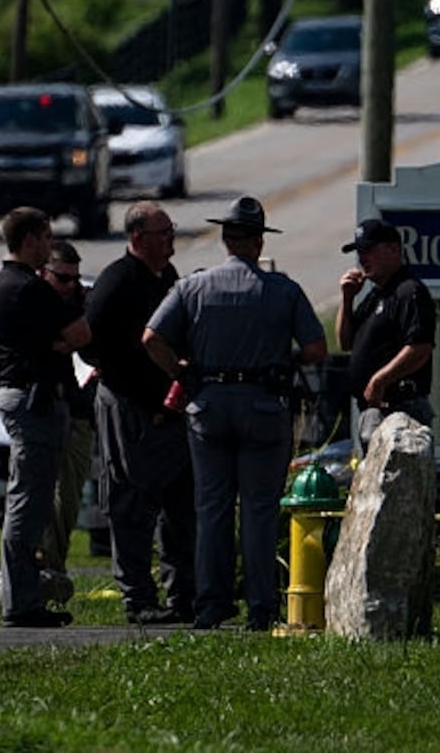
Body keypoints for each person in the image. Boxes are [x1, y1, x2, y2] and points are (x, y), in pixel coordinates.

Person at [143, 196, 328, 631]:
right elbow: (317, 349)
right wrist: (289, 363)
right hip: (264, 405)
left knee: (212, 509)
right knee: (260, 511)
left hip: (208, 404)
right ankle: (261, 608)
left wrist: (181, 371)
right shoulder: (283, 290)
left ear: (225, 240)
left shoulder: (193, 286)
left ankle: (211, 604)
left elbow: (151, 337)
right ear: (259, 242)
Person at [83, 202, 196, 625]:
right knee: (131, 501)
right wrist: (130, 377)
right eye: (162, 234)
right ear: (137, 239)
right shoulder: (117, 282)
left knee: (179, 503)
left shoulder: (164, 276)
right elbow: (89, 343)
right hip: (130, 405)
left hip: (166, 406)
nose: (170, 241)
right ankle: (138, 598)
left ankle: (183, 594)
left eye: (171, 232)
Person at [0, 207, 91, 628]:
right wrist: (59, 345)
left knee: (29, 502)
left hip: (22, 397)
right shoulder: (28, 288)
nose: (49, 247)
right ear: (28, 239)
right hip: (35, 402)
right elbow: (81, 333)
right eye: (46, 238)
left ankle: (26, 598)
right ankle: (22, 603)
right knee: (29, 505)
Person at [336, 217, 436, 454]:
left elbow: (420, 348)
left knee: (398, 488)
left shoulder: (409, 291)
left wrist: (380, 379)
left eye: (369, 250)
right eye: (359, 251)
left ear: (394, 250)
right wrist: (347, 298)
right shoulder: (374, 296)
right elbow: (345, 342)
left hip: (402, 409)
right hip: (374, 412)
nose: (362, 258)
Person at [37, 240, 96, 582]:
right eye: (62, 278)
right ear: (44, 273)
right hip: (42, 408)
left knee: (68, 499)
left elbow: (86, 340)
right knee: (37, 495)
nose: (69, 286)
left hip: (76, 409)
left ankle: (54, 566)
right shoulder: (34, 300)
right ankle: (38, 567)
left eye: (74, 279)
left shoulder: (80, 302)